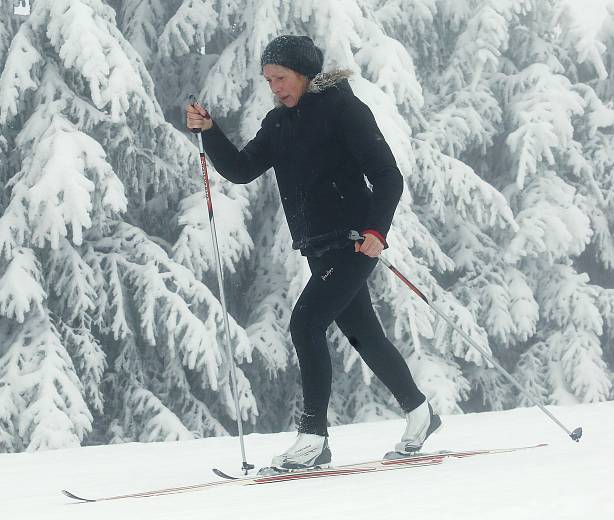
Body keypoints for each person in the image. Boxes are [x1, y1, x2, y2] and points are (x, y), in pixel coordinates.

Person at [186, 35, 441, 470]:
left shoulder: (344, 110)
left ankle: (313, 437)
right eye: (268, 81)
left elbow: (387, 176)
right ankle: (420, 412)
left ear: (304, 73)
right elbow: (243, 169)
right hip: (318, 246)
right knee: (364, 335)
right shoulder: (279, 123)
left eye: (281, 78)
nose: (275, 88)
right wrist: (210, 134)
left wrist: (377, 230)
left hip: (354, 242)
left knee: (305, 323)